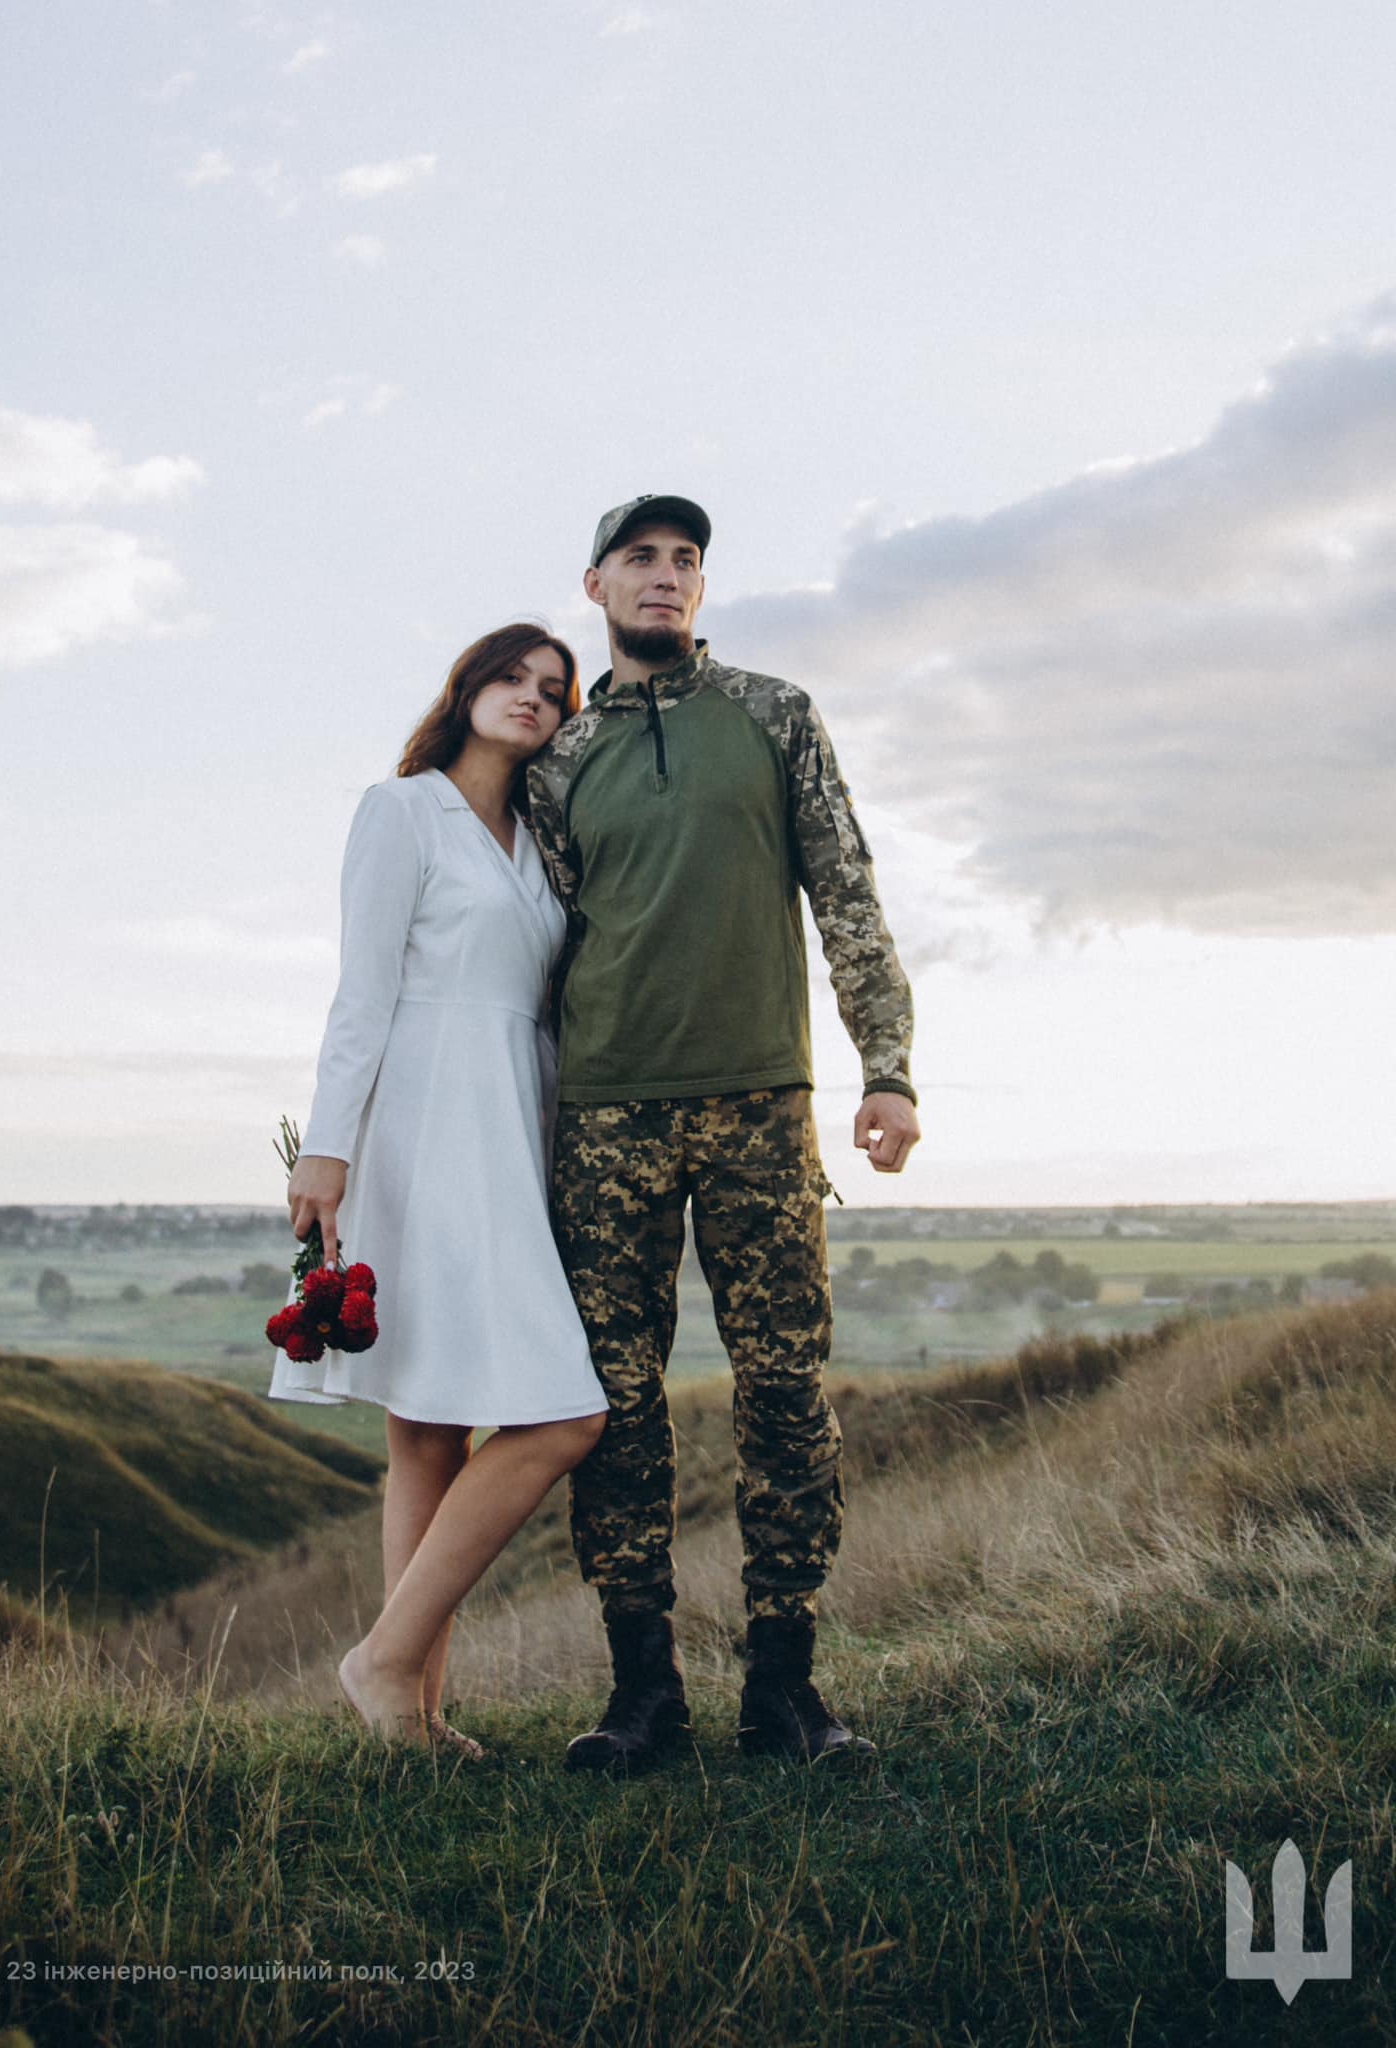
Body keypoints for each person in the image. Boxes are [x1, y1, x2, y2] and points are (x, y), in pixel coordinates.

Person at [526, 494, 921, 1769]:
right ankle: (642, 1692)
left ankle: (784, 1691)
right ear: (596, 585)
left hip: (760, 1102)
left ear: (701, 587)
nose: (666, 574)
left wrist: (888, 1067)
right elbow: (538, 942)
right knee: (615, 1403)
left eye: (686, 559)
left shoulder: (773, 714)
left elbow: (846, 889)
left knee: (787, 1393)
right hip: (606, 1114)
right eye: (640, 556)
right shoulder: (556, 758)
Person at [272, 623, 608, 1758]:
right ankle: (389, 1672)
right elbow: (361, 990)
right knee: (540, 1415)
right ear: (466, 689)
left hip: (510, 1125)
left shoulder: (543, 844)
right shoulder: (401, 809)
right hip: (417, 1122)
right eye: (511, 677)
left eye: (553, 690)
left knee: (437, 1426)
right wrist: (326, 1147)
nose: (532, 697)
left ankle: (410, 1706)